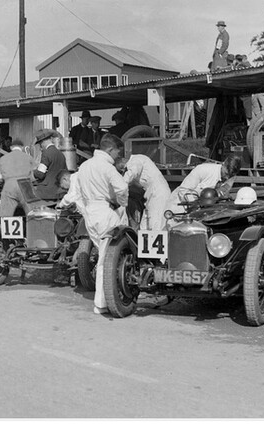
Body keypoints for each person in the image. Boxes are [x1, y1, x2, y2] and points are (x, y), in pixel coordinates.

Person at [73, 133, 129, 315]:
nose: (117, 157)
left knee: (103, 256)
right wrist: (121, 203)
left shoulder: (84, 166)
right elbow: (122, 187)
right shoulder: (107, 167)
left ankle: (103, 300)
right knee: (108, 259)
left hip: (90, 214)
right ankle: (102, 303)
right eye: (117, 153)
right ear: (110, 149)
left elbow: (77, 192)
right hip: (105, 212)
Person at [164, 154, 242, 219]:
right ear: (223, 164)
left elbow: (221, 193)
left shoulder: (232, 177)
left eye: (230, 176)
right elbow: (184, 190)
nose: (227, 178)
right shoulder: (203, 169)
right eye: (226, 174)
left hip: (203, 209)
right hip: (179, 206)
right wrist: (195, 207)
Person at [122, 153, 170, 231]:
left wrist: (120, 184)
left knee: (155, 224)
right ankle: (142, 242)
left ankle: (153, 241)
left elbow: (131, 174)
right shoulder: (138, 161)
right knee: (144, 226)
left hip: (158, 195)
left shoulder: (136, 160)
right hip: (150, 195)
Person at [0, 138, 35, 217]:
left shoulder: (2, 159)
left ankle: (5, 228)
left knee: (5, 215)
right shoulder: (29, 158)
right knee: (32, 214)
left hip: (9, 186)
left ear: (11, 148)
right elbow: (34, 176)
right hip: (25, 185)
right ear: (22, 147)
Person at [33, 129, 67, 201]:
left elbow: (40, 174)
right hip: (59, 190)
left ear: (43, 142)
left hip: (47, 192)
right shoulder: (61, 154)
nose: (40, 146)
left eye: (40, 144)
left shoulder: (46, 153)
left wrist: (33, 171)